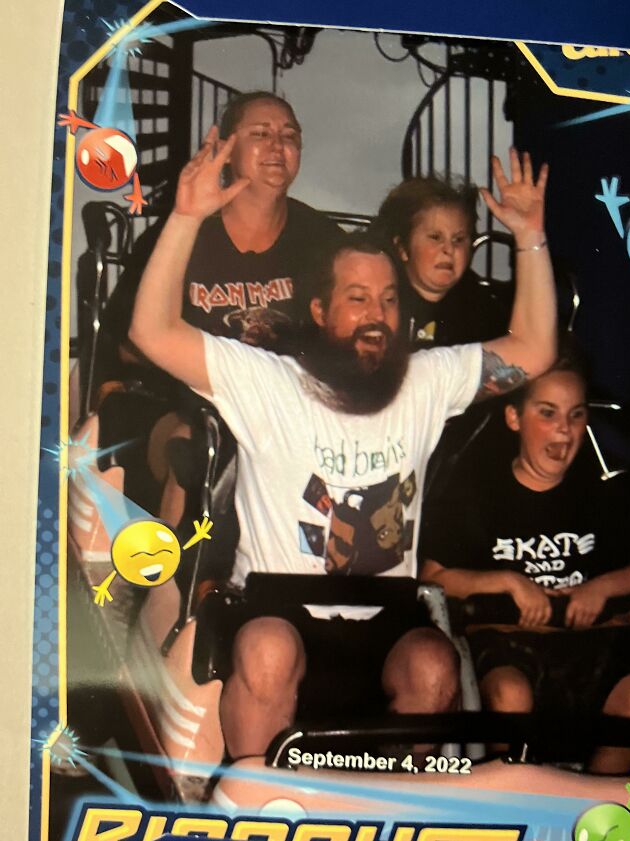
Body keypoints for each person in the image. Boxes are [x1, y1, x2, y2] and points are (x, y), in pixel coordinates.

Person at [128, 133, 556, 759]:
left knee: (434, 664)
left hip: (386, 621)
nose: (377, 314)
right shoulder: (266, 380)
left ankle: (396, 815)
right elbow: (152, 330)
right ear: (322, 312)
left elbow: (536, 350)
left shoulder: (425, 380)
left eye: (387, 299)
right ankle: (260, 811)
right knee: (267, 651)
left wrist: (529, 237)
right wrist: (188, 216)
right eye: (357, 300)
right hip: (280, 615)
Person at [95, 90, 342, 523]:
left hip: (285, 410)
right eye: (260, 133)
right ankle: (172, 585)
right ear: (226, 151)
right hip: (182, 406)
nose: (277, 146)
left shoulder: (324, 240)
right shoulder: (182, 233)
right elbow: (123, 342)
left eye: (289, 136)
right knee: (201, 443)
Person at [419, 358, 630, 773]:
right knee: (509, 695)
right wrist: (509, 582)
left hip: (594, 650)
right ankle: (523, 806)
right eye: (547, 413)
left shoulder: (601, 494)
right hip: (512, 648)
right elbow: (434, 578)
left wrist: (601, 587)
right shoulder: (477, 498)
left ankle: (591, 815)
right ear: (514, 418)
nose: (564, 430)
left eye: (576, 415)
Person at [374, 177, 511, 348]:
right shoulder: (383, 303)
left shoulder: (480, 306)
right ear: (402, 248)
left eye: (459, 239)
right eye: (435, 237)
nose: (449, 249)